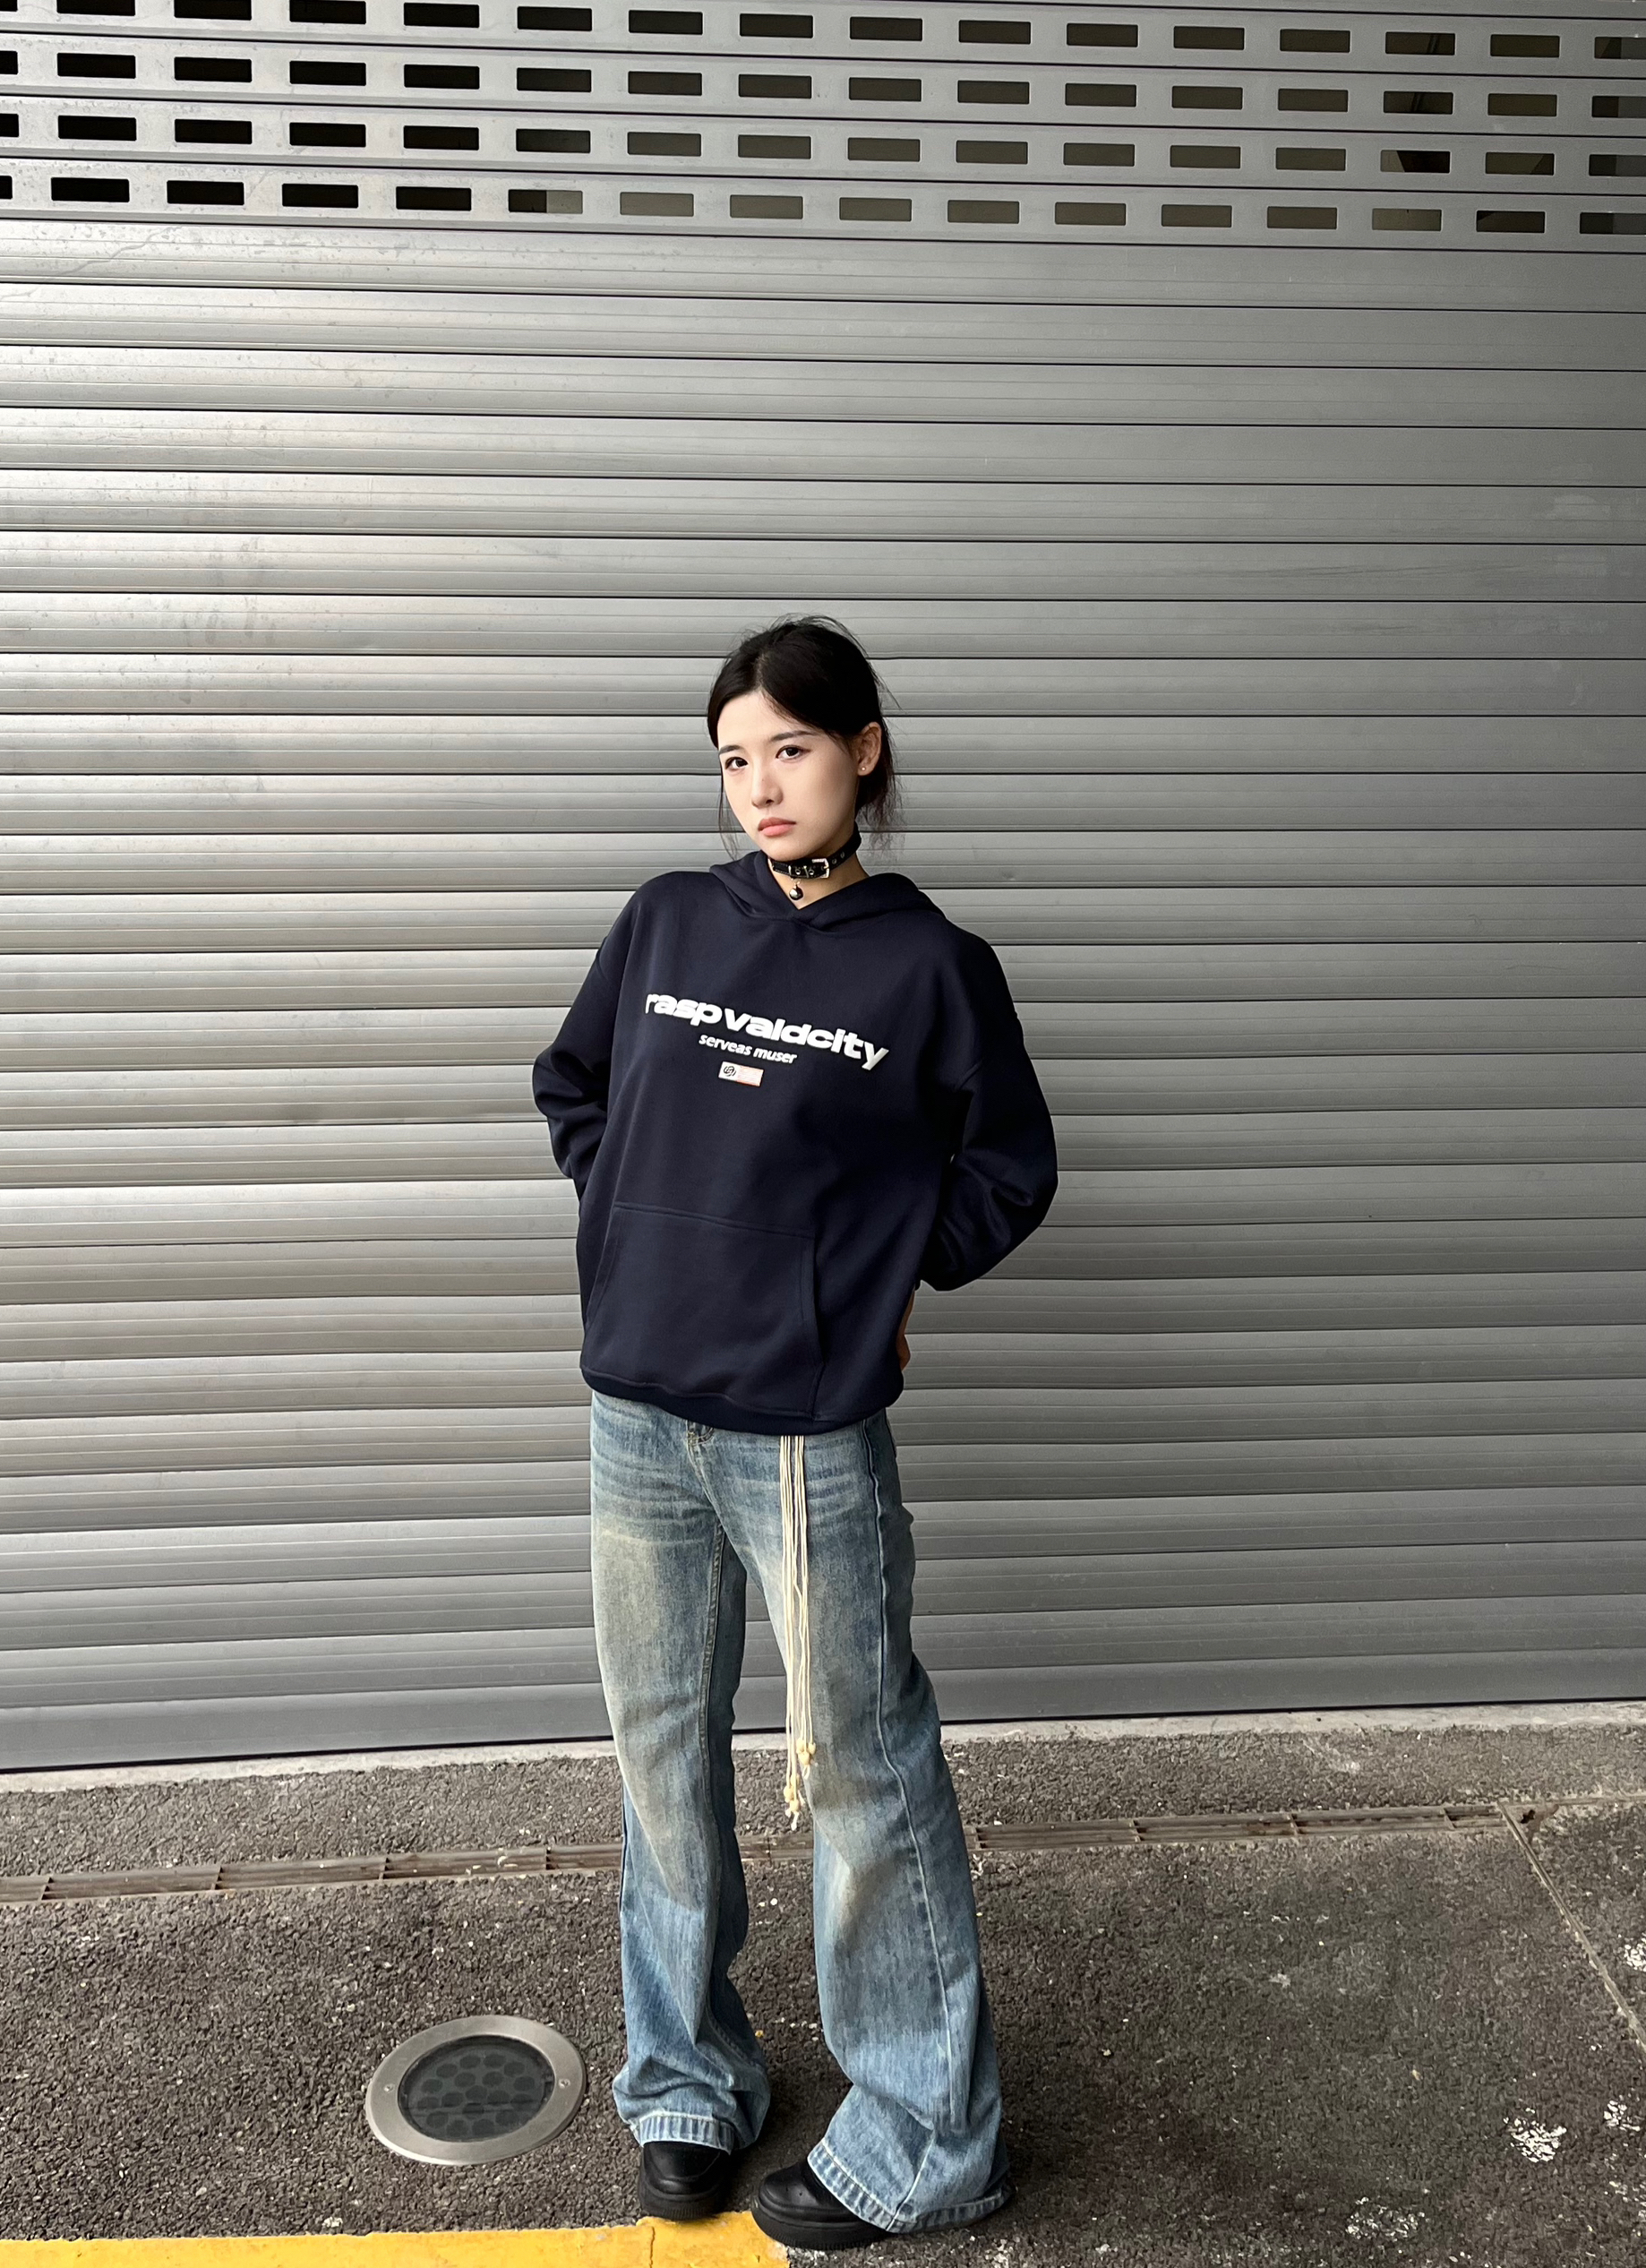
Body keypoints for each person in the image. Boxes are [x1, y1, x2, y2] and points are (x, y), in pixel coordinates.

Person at [531, 615, 1058, 2251]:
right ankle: (688, 2080)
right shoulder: (667, 919)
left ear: (861, 753)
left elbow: (1007, 1171)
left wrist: (877, 1281)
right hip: (638, 1416)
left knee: (860, 1774)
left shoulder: (928, 967)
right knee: (660, 1761)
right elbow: (575, 1090)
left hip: (803, 1437)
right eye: (733, 759)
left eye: (791, 750)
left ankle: (926, 2142)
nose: (760, 786)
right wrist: (638, 1235)